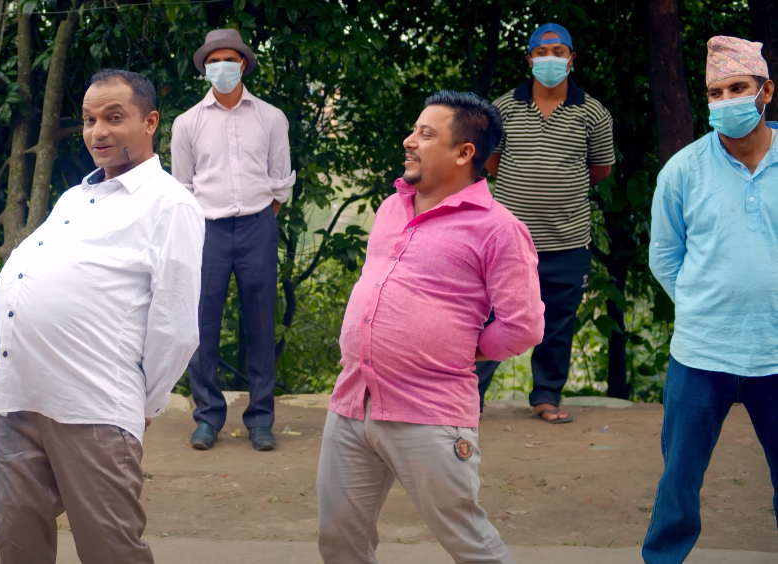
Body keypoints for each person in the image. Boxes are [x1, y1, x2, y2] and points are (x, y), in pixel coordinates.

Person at [0, 69, 203, 563]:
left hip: (94, 405)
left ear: (150, 122)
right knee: (15, 538)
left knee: (110, 548)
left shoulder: (170, 204)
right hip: (22, 397)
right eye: (88, 120)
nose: (98, 132)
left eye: (113, 117)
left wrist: (142, 405)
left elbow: (175, 327)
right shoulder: (75, 197)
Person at [316, 91, 542, 564]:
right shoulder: (391, 208)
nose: (409, 141)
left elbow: (522, 327)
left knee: (469, 541)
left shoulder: (498, 228)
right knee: (339, 539)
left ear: (464, 153)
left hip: (429, 410)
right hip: (353, 401)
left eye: (425, 134)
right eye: (414, 131)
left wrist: (464, 348)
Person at [644, 36, 778, 564]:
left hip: (776, 353)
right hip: (701, 354)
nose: (725, 101)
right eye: (715, 93)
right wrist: (704, 305)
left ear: (766, 91)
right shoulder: (683, 170)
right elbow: (664, 256)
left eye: (738, 88)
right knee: (678, 481)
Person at [476, 23, 615, 423]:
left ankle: (546, 397)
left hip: (568, 240)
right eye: (542, 52)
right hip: (508, 241)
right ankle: (468, 396)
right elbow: (491, 161)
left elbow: (600, 169)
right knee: (489, 315)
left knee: (558, 322)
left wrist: (559, 184)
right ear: (529, 59)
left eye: (558, 52)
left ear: (572, 59)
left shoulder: (593, 112)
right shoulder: (503, 108)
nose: (550, 59)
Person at [171, 28, 295, 451]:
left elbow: (280, 182)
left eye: (228, 59)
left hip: (258, 224)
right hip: (206, 229)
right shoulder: (187, 123)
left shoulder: (271, 118)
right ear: (204, 68)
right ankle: (207, 418)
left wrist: (259, 218)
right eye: (213, 61)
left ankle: (261, 420)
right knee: (202, 322)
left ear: (243, 64)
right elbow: (182, 187)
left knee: (261, 322)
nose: (221, 67)